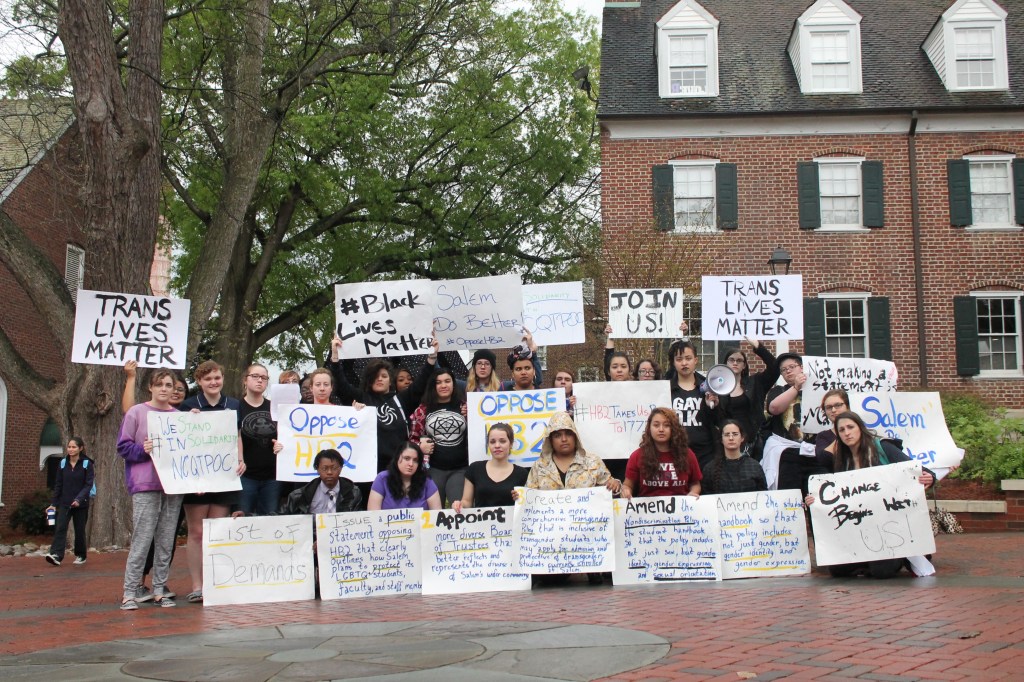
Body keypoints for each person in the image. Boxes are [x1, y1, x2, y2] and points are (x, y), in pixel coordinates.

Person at [805, 411, 935, 579]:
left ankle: (902, 556)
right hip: (860, 526)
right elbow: (829, 492)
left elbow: (916, 470)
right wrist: (814, 500)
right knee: (837, 571)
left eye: (850, 427)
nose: (847, 433)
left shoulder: (882, 447)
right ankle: (865, 561)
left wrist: (929, 478)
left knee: (882, 572)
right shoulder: (840, 459)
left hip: (891, 524)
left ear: (861, 428)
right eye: (841, 430)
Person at [525, 411, 621, 585]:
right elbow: (529, 497)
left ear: (575, 436)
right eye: (557, 435)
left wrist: (615, 485)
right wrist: (521, 497)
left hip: (588, 537)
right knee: (550, 582)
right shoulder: (539, 467)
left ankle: (593, 569)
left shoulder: (593, 461)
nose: (564, 439)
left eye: (568, 433)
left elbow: (609, 489)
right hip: (552, 542)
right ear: (550, 439)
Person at [178, 360, 246, 604]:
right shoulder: (188, 406)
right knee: (196, 532)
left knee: (217, 532)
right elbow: (182, 444)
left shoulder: (234, 405)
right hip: (197, 480)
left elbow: (237, 436)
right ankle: (197, 585)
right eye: (208, 379)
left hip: (224, 477)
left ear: (223, 378)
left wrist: (240, 459)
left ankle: (217, 582)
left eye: (217, 378)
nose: (213, 382)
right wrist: (189, 421)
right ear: (199, 382)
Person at [117, 370, 185, 609]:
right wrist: (141, 449)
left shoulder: (179, 417)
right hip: (145, 482)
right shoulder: (137, 412)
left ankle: (159, 588)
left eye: (169, 385)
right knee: (143, 538)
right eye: (160, 385)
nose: (165, 389)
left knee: (166, 539)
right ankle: (130, 590)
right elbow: (123, 447)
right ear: (151, 387)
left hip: (173, 485)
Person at [329, 334, 437, 473]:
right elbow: (341, 385)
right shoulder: (361, 398)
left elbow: (421, 382)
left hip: (398, 467)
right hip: (367, 467)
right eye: (375, 376)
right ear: (368, 379)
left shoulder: (401, 400)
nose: (380, 379)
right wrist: (335, 357)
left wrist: (432, 357)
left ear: (390, 380)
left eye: (384, 376)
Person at [762, 352, 828, 495]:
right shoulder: (778, 390)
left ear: (802, 367)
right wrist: (796, 387)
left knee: (820, 494)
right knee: (790, 497)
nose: (788, 371)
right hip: (789, 453)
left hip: (816, 452)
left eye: (792, 366)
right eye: (784, 370)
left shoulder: (819, 390)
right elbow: (774, 408)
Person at [410, 367, 469, 506]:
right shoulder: (423, 409)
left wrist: (471, 416)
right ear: (433, 386)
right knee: (433, 514)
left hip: (460, 468)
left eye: (447, 381)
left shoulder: (465, 407)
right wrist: (420, 447)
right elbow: (412, 439)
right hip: (433, 469)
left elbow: (479, 433)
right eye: (439, 382)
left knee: (460, 510)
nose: (443, 385)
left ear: (453, 384)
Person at [713, 340, 778, 461]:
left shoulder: (756, 383)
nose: (735, 363)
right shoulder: (717, 389)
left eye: (739, 360)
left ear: (744, 365)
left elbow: (775, 368)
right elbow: (715, 419)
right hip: (729, 443)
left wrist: (758, 347)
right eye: (731, 360)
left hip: (754, 443)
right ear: (725, 364)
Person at [621, 407, 702, 499]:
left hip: (682, 509)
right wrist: (626, 491)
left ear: (674, 429)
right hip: (647, 510)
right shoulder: (637, 456)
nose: (661, 429)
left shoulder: (687, 454)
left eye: (666, 425)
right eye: (656, 425)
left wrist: (692, 493)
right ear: (649, 428)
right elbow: (627, 485)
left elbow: (695, 484)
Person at [664, 338, 718, 471]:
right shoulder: (666, 388)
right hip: (674, 453)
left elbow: (718, 420)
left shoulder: (708, 386)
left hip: (705, 455)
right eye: (679, 359)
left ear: (696, 360)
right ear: (673, 363)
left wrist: (714, 406)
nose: (684, 363)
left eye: (688, 358)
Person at [238, 363, 284, 515]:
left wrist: (281, 444)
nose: (260, 380)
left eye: (264, 378)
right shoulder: (236, 407)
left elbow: (287, 435)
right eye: (255, 376)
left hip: (272, 478)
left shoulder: (275, 407)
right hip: (245, 476)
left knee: (269, 522)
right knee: (241, 521)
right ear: (245, 380)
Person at [453, 423, 529, 511]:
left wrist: (520, 499)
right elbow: (466, 502)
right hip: (480, 524)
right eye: (492, 442)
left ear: (511, 444)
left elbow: (525, 507)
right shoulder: (475, 468)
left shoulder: (522, 474)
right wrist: (459, 505)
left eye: (502, 441)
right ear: (488, 444)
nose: (497, 445)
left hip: (510, 524)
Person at [44, 437, 94, 566]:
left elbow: (88, 485)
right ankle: (56, 555)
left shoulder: (87, 464)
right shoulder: (62, 463)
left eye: (74, 447)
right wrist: (53, 504)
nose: (71, 449)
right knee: (60, 527)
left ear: (80, 448)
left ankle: (81, 555)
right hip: (65, 503)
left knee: (79, 530)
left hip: (81, 504)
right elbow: (58, 485)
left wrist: (78, 499)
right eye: (69, 447)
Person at [281, 449, 362, 514]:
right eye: (324, 468)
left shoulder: (353, 492)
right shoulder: (300, 495)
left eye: (334, 468)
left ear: (341, 468)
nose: (329, 472)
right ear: (317, 469)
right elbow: (283, 516)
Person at [367, 443, 442, 511]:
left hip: (420, 526)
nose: (411, 464)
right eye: (407, 458)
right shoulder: (382, 478)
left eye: (415, 460)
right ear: (397, 458)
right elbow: (373, 515)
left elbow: (437, 514)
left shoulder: (427, 481)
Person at [701, 419, 768, 494]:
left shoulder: (754, 466)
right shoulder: (710, 469)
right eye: (727, 435)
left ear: (742, 438)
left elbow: (763, 496)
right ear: (721, 439)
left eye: (735, 434)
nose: (731, 438)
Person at [814, 389, 850, 464]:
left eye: (838, 405)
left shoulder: (860, 431)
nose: (833, 410)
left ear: (848, 406)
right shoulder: (823, 436)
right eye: (829, 407)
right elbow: (823, 459)